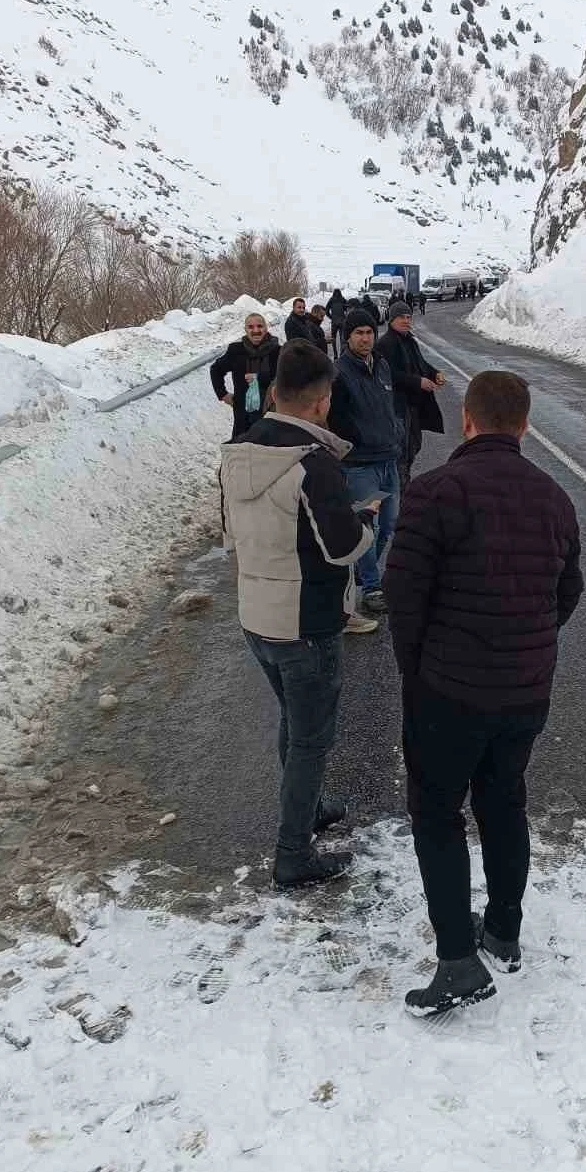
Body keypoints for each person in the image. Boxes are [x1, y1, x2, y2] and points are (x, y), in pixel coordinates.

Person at [384, 370, 584, 1016]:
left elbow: (405, 600)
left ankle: (457, 962)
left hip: (448, 690)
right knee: (504, 804)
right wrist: (525, 640)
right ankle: (503, 929)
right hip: (525, 693)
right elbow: (567, 593)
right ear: (524, 424)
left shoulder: (434, 492)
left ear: (466, 420)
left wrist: (417, 671)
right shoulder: (555, 497)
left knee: (437, 814)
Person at [220, 342, 380, 890]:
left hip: (256, 615)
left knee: (294, 721)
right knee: (311, 738)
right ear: (321, 402)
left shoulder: (238, 454)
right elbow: (341, 547)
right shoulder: (313, 465)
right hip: (305, 622)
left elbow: (233, 535)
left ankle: (306, 810)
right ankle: (293, 854)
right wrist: (367, 524)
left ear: (273, 393)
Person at [327, 309, 403, 617]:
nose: (365, 337)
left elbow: (390, 405)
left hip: (388, 458)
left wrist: (395, 430)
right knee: (366, 528)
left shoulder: (382, 366)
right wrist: (358, 438)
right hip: (360, 465)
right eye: (358, 332)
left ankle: (363, 570)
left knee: (389, 523)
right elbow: (336, 417)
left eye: (369, 332)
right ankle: (372, 587)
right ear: (348, 337)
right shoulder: (339, 372)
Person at [375, 301, 445, 492]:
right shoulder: (385, 344)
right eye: (401, 317)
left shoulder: (409, 341)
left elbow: (420, 364)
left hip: (413, 405)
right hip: (397, 407)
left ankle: (402, 485)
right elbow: (389, 375)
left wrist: (434, 373)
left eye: (408, 317)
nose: (406, 321)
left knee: (413, 446)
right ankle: (399, 492)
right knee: (401, 452)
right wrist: (418, 382)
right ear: (391, 320)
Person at [210, 312, 281, 439]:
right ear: (245, 330)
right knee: (241, 453)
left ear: (266, 328)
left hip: (271, 413)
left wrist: (259, 378)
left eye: (260, 326)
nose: (256, 330)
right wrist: (222, 394)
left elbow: (284, 379)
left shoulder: (278, 352)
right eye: (251, 327)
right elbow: (216, 369)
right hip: (243, 417)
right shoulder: (236, 351)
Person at [327, 288, 348, 357]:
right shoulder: (342, 299)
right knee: (342, 339)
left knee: (333, 338)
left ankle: (335, 354)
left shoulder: (331, 300)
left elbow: (326, 310)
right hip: (342, 321)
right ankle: (342, 353)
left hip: (334, 322)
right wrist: (344, 316)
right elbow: (347, 308)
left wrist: (331, 317)